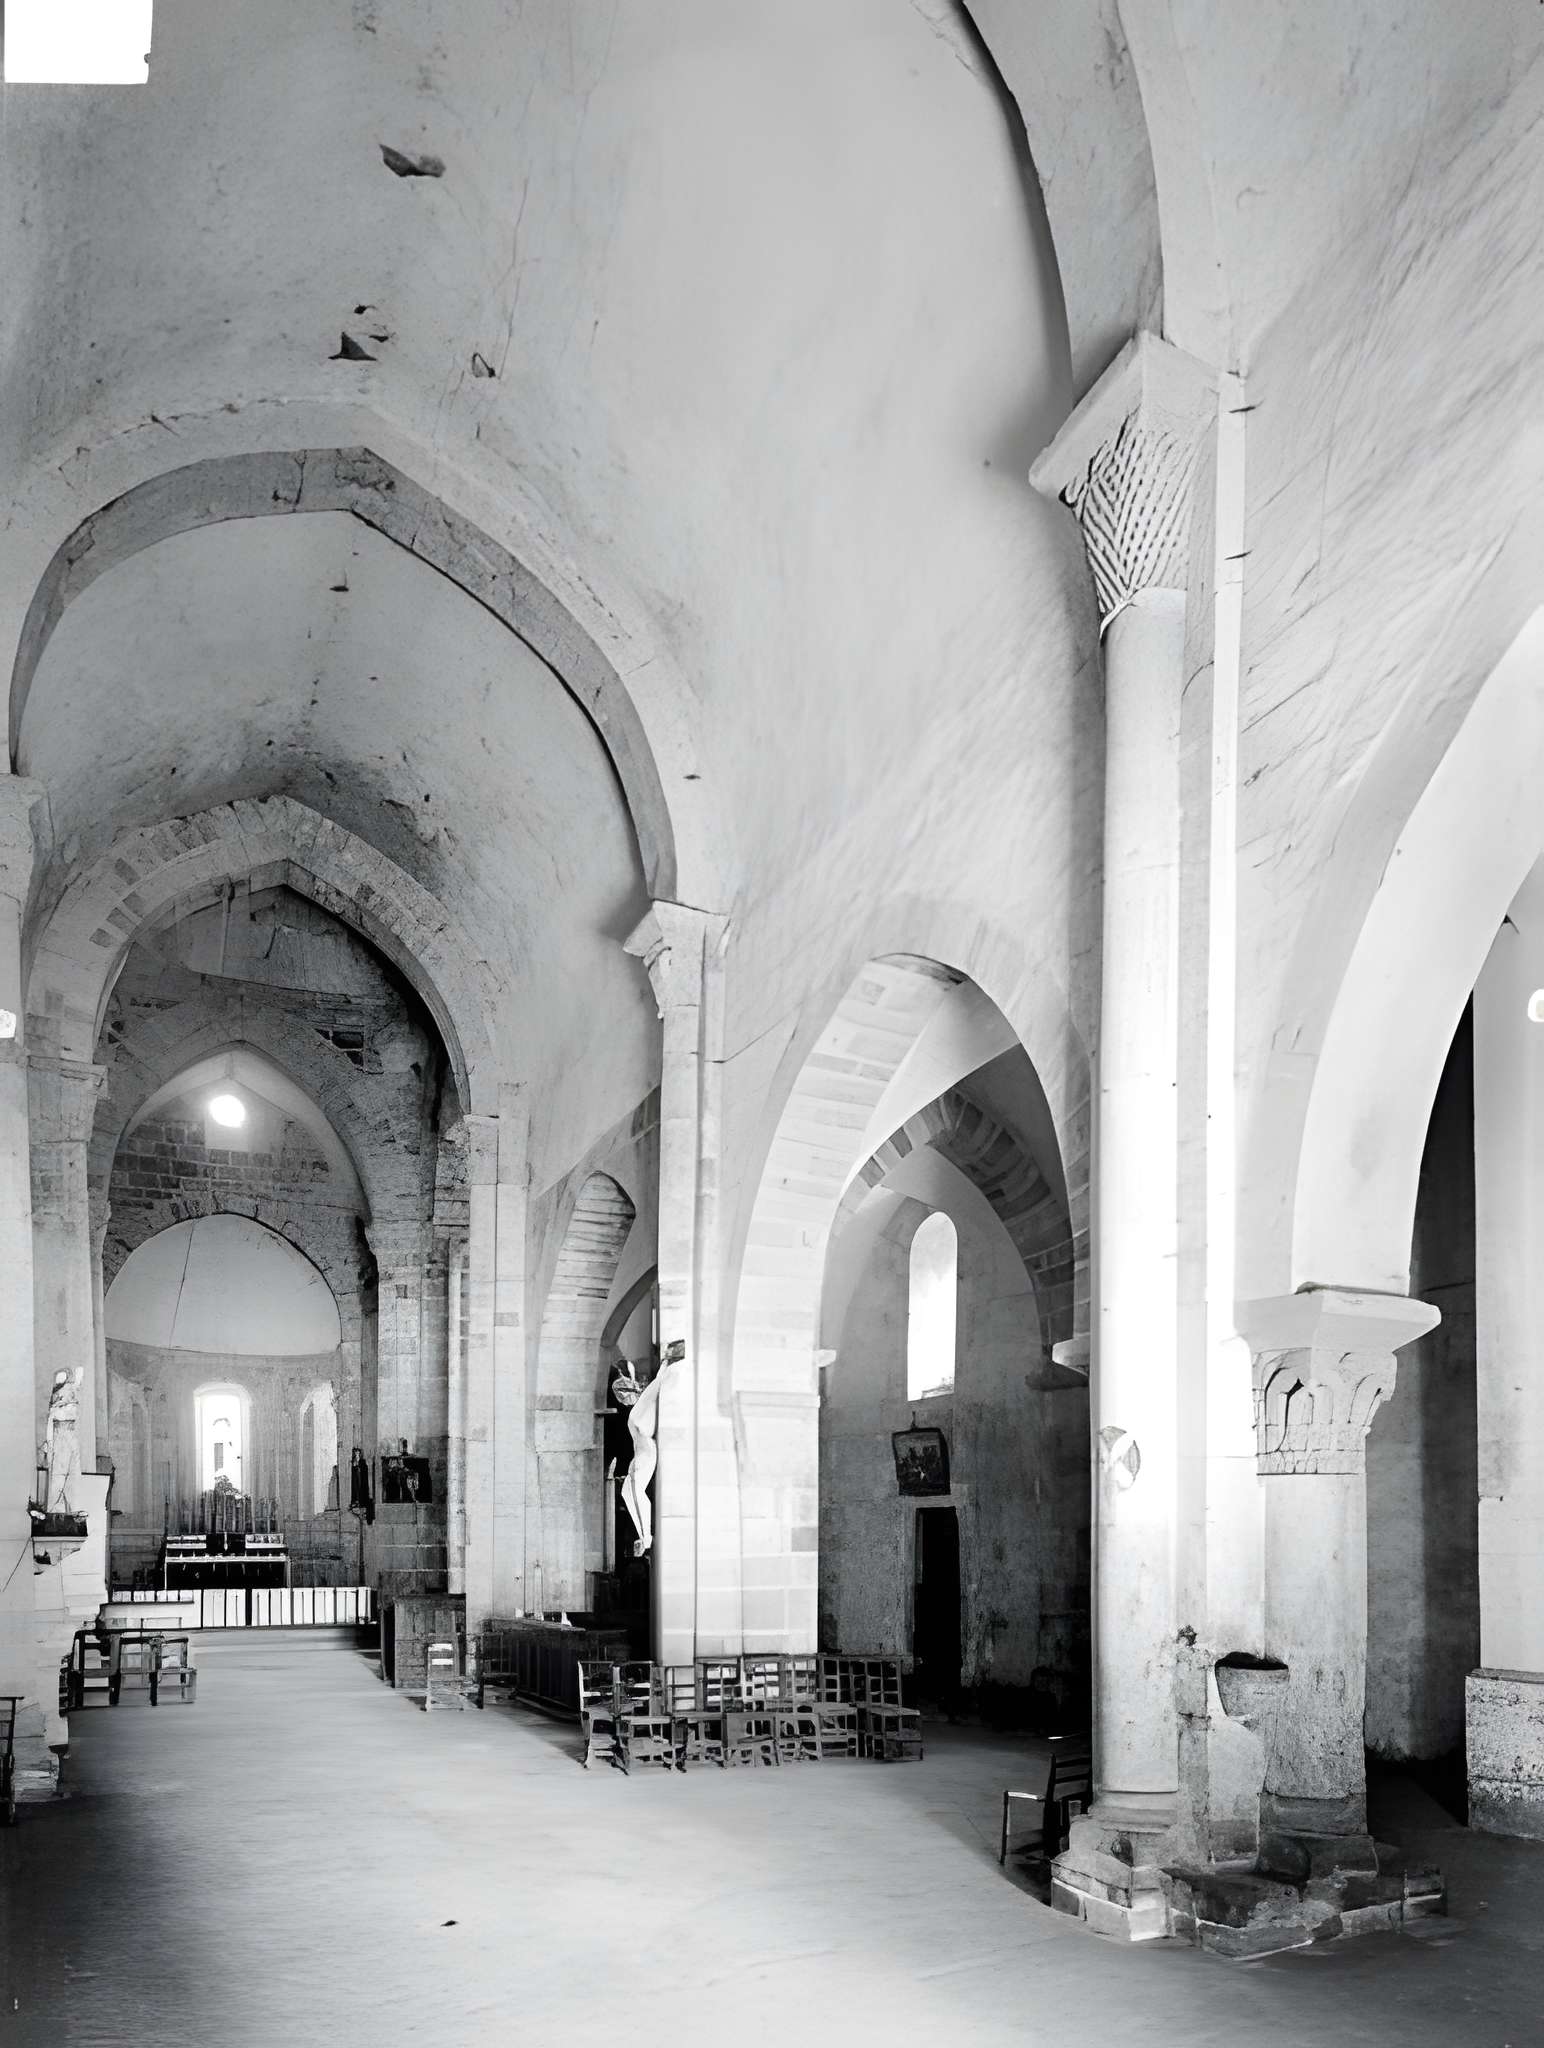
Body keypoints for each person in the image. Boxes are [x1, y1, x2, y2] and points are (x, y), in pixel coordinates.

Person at [612, 1357, 671, 1557]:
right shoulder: (635, 1415)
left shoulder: (637, 1416)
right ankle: (644, 1536)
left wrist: (664, 1368)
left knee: (634, 1493)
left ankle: (646, 1538)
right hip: (641, 1455)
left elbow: (654, 1389)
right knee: (628, 1492)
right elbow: (653, 1390)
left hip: (645, 1454)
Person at [42, 1367, 83, 1517]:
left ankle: (73, 1511)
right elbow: (51, 1425)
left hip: (70, 1438)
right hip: (60, 1439)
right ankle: (55, 1513)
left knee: (72, 1477)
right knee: (58, 1478)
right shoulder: (56, 1411)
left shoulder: (70, 1405)